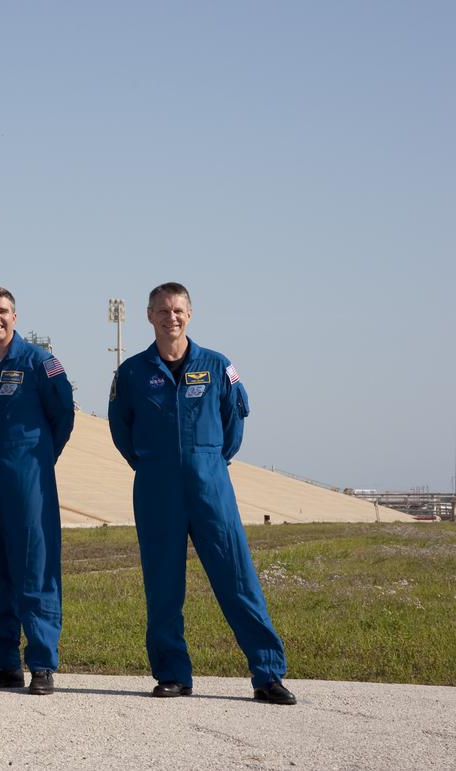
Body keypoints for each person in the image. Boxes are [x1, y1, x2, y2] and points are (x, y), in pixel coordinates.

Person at [108, 282, 296, 705]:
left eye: (177, 310)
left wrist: (209, 461)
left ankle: (267, 673)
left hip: (211, 488)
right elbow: (121, 428)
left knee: (237, 579)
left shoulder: (217, 365)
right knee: (162, 585)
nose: (169, 317)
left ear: (189, 314)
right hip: (157, 489)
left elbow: (234, 422)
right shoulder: (133, 372)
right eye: (161, 311)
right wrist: (152, 464)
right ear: (149, 315)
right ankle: (173, 673)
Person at [0, 287, 74, 696]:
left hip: (29, 476)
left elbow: (62, 414)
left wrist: (38, 456)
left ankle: (41, 662)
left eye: (3, 311)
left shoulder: (40, 362)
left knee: (34, 566)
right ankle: (2, 664)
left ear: (15, 316)